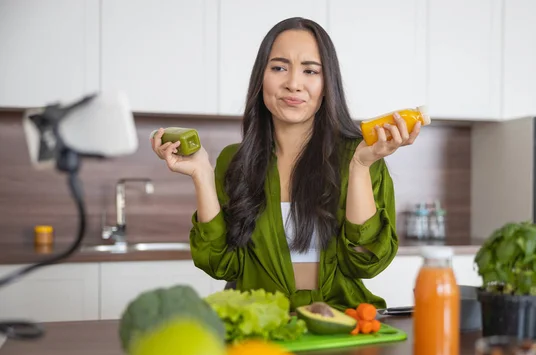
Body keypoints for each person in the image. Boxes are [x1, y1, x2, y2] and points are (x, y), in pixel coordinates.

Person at [151, 17, 421, 311]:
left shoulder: (362, 156)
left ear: (327, 84)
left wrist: (359, 168)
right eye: (279, 67)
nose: (293, 84)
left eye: (310, 71)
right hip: (261, 324)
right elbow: (220, 264)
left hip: (342, 323)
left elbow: (367, 262)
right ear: (261, 78)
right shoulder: (235, 162)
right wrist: (201, 174)